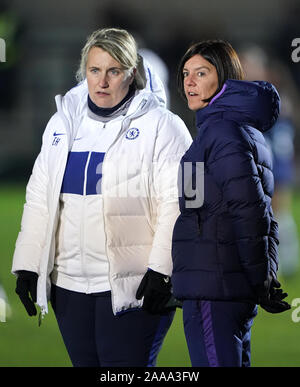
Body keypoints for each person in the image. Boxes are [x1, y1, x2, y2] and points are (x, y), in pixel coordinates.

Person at [11, 28, 192, 367]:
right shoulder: (61, 124)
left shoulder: (163, 126)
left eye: (114, 71)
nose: (102, 81)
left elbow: (177, 205)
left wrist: (162, 271)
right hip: (69, 286)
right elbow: (39, 198)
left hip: (132, 288)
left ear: (132, 73)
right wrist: (27, 265)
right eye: (95, 70)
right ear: (84, 72)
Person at [171, 39, 291, 367]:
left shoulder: (223, 133)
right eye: (185, 73)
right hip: (220, 284)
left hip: (216, 288)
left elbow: (249, 212)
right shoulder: (228, 130)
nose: (189, 82)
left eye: (201, 73)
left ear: (223, 78)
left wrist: (261, 279)